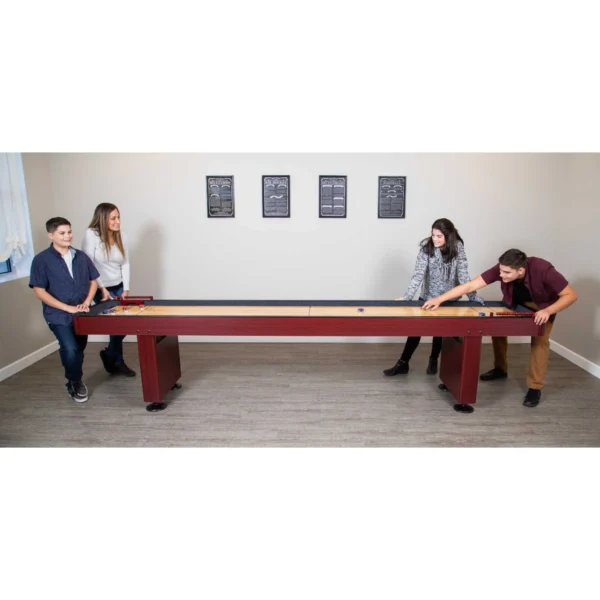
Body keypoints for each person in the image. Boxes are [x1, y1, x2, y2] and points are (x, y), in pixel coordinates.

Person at [422, 248, 578, 407]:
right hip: (515, 302)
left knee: (540, 342)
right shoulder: (502, 268)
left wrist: (548, 311)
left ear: (521, 270)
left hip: (543, 307)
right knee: (497, 330)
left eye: (506, 273)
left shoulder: (543, 269)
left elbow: (571, 295)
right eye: (500, 270)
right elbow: (470, 286)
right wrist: (439, 299)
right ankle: (500, 369)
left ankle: (535, 387)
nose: (501, 275)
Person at [384, 218, 484, 377]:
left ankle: (433, 359)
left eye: (439, 236)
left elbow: (463, 275)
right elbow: (418, 274)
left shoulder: (458, 248)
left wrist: (473, 296)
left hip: (449, 298)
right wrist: (408, 296)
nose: (435, 239)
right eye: (433, 235)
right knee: (415, 330)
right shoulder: (426, 249)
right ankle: (403, 363)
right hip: (427, 296)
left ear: (449, 235)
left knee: (441, 332)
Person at [29, 217, 100, 403]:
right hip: (58, 314)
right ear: (51, 235)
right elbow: (39, 291)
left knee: (79, 349)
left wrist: (87, 301)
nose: (67, 236)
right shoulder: (41, 260)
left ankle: (73, 378)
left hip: (82, 313)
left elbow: (93, 280)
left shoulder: (81, 257)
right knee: (70, 348)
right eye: (62, 233)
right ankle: (75, 382)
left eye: (69, 231)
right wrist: (66, 307)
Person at [82, 203, 136, 377]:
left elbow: (125, 263)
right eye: (113, 218)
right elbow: (88, 264)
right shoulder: (91, 235)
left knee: (123, 325)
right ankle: (117, 361)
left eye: (118, 217)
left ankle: (110, 354)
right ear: (102, 219)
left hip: (118, 286)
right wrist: (102, 288)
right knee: (118, 324)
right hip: (99, 287)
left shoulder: (122, 236)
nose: (117, 221)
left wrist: (126, 288)